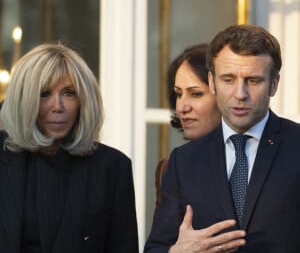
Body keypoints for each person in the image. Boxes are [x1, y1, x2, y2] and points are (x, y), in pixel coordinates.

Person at [144, 24, 300, 253]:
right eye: (228, 79)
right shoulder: (183, 162)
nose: (240, 94)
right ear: (212, 81)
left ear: (274, 84)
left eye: (253, 81)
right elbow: (156, 248)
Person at [0, 43, 139, 253]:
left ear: (84, 100)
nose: (58, 107)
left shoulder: (113, 168)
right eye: (44, 94)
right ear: (23, 99)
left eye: (69, 93)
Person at [154, 44, 221, 209]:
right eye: (178, 94)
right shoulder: (169, 169)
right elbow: (160, 235)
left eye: (196, 94)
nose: (182, 108)